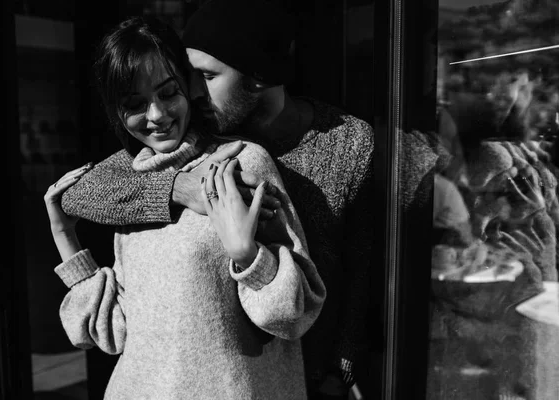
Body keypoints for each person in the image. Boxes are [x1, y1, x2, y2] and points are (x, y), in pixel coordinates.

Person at [61, 1, 375, 398]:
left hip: (291, 360)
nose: (191, 92)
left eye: (204, 76)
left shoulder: (344, 143)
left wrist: (342, 372)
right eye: (185, 77)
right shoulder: (190, 141)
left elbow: (361, 270)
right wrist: (178, 189)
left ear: (258, 78)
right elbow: (80, 191)